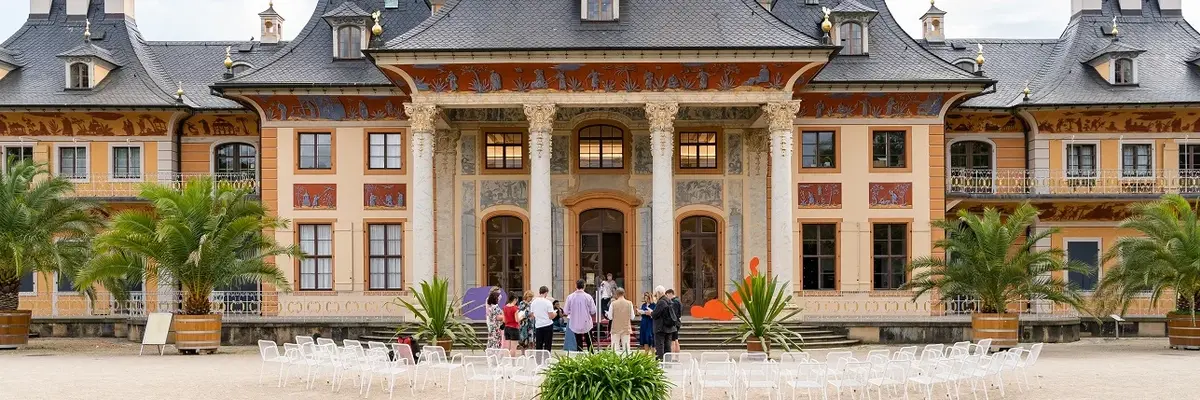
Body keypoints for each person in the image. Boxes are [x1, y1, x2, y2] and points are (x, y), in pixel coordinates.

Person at [564, 279, 597, 352]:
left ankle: (580, 356)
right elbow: (593, 311)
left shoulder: (570, 297)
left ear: (576, 286)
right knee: (589, 341)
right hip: (586, 322)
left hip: (575, 322)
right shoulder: (588, 297)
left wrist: (571, 311)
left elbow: (565, 311)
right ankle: (591, 356)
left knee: (578, 342)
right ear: (584, 286)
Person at [651, 286, 678, 360]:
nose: (655, 296)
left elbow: (655, 314)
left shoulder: (661, 302)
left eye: (656, 294)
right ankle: (668, 362)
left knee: (660, 346)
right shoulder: (668, 300)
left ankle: (661, 361)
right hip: (669, 327)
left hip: (661, 328)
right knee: (667, 346)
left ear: (659, 293)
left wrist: (650, 313)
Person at [606, 288, 635, 354]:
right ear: (624, 294)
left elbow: (610, 317)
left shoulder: (613, 304)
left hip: (615, 328)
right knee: (626, 348)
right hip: (626, 328)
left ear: (616, 294)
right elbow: (632, 317)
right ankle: (626, 362)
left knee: (615, 348)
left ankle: (615, 363)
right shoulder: (629, 303)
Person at [530, 286, 556, 351]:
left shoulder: (533, 302)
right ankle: (546, 360)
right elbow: (551, 316)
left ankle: (538, 360)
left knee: (539, 345)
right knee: (547, 344)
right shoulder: (548, 302)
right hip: (548, 324)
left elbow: (532, 315)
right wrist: (555, 313)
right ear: (546, 293)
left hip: (538, 325)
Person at [667, 288, 683, 353]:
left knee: (673, 341)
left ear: (671, 294)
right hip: (677, 322)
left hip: (674, 323)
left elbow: (674, 314)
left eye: (667, 295)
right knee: (675, 339)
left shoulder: (674, 302)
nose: (667, 297)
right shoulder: (678, 301)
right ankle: (676, 357)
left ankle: (674, 357)